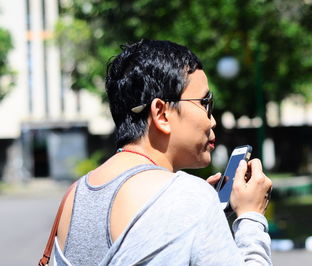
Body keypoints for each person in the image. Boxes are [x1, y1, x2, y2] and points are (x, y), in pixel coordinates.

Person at [54, 39, 273, 265]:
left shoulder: (74, 196)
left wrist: (199, 213)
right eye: (205, 103)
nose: (212, 120)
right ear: (161, 113)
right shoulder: (189, 197)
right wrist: (250, 217)